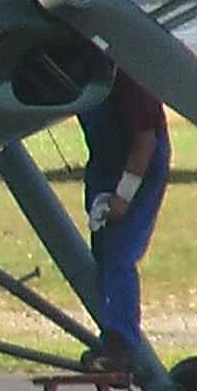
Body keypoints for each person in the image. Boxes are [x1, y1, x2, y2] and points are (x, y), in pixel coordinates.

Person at [79, 69, 170, 372]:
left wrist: (124, 196)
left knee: (119, 254)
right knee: (103, 252)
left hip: (141, 159)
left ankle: (121, 344)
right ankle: (111, 334)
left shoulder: (128, 78)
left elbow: (146, 140)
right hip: (105, 159)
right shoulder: (75, 71)